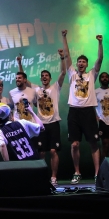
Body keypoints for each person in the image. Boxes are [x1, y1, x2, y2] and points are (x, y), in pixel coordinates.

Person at [62, 29, 103, 184]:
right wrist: (64, 37)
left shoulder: (91, 75)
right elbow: (67, 56)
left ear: (86, 64)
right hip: (74, 112)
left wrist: (100, 42)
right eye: (79, 61)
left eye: (83, 62)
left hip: (88, 112)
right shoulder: (72, 74)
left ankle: (97, 173)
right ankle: (77, 172)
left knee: (93, 143)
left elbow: (100, 59)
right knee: (74, 144)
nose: (80, 63)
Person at [32, 50, 67, 187]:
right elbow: (25, 81)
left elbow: (63, 73)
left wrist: (62, 58)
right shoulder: (37, 90)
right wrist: (20, 63)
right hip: (41, 125)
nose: (44, 77)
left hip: (53, 123)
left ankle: (53, 177)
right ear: (40, 79)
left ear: (50, 78)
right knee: (41, 152)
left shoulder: (55, 88)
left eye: (46, 75)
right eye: (42, 76)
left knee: (53, 151)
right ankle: (42, 177)